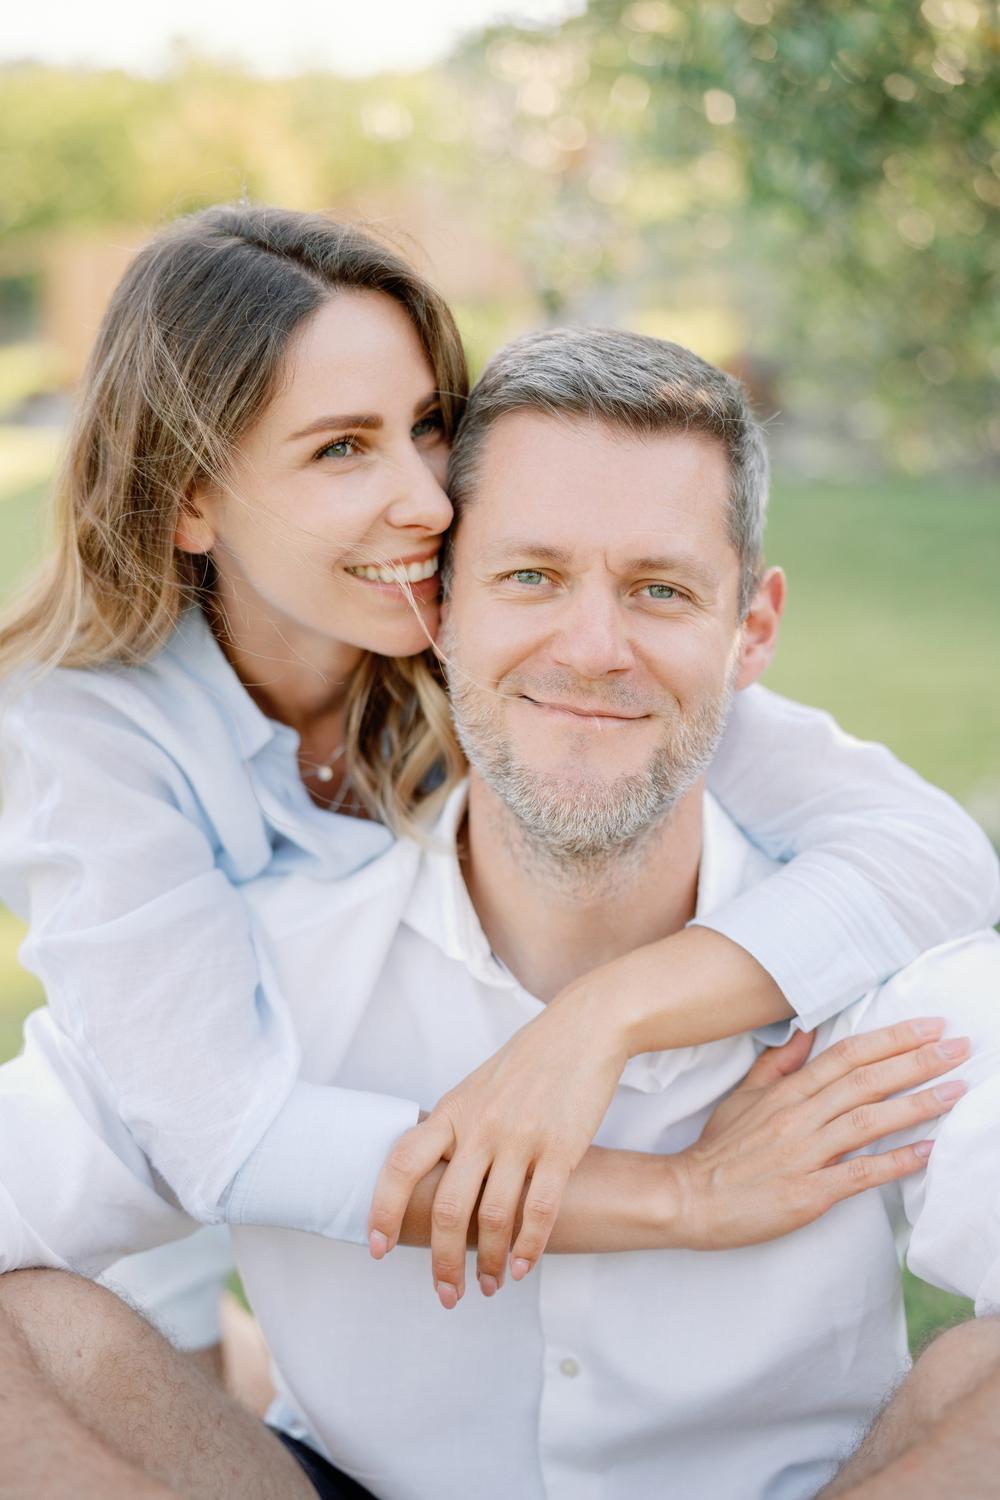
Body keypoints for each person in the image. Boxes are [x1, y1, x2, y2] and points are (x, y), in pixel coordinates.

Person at [0, 326, 998, 1499]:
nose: (592, 650)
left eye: (660, 590)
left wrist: (606, 1019)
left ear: (753, 632)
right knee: (39, 1333)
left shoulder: (895, 987)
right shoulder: (264, 959)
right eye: (529, 576)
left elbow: (932, 856)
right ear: (439, 609)